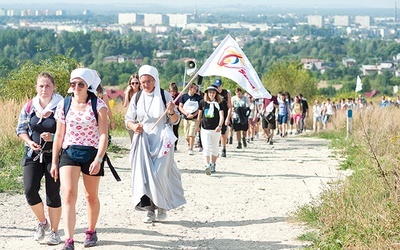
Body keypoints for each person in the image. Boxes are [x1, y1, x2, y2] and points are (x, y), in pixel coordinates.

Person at [50, 68, 109, 250]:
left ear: (88, 86)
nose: (76, 87)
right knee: (68, 194)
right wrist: (54, 161)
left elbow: (103, 135)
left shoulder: (99, 106)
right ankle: (69, 239)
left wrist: (98, 159)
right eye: (73, 83)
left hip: (91, 153)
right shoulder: (64, 104)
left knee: (90, 196)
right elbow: (58, 135)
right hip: (69, 152)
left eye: (80, 84)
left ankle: (90, 230)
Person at [125, 65, 186, 224]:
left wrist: (171, 111)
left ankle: (163, 205)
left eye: (149, 81)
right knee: (145, 176)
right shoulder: (137, 97)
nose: (146, 85)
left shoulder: (164, 95)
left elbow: (175, 120)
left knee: (159, 174)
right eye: (143, 82)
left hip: (162, 140)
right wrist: (134, 127)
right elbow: (128, 119)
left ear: (155, 80)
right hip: (143, 140)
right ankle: (150, 210)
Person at [16, 72, 63, 246]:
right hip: (33, 155)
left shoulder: (62, 106)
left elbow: (68, 132)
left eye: (48, 86)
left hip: (54, 156)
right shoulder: (29, 106)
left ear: (54, 87)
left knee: (53, 193)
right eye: (41, 86)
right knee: (29, 190)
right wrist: (29, 142)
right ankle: (43, 222)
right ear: (36, 87)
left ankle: (55, 232)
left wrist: (52, 136)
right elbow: (20, 129)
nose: (44, 89)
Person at [196, 85, 224, 175]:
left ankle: (213, 164)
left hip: (215, 129)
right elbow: (199, 115)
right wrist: (197, 126)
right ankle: (207, 165)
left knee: (215, 149)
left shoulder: (219, 103)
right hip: (205, 128)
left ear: (216, 94)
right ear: (207, 93)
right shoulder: (202, 102)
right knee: (206, 148)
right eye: (210, 92)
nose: (211, 94)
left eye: (213, 92)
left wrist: (220, 126)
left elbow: (222, 116)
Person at [178, 83, 202, 155]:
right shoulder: (184, 97)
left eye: (196, 88)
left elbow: (200, 108)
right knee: (186, 135)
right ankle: (190, 143)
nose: (195, 89)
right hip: (186, 118)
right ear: (190, 88)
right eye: (194, 88)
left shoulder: (198, 97)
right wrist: (186, 113)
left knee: (192, 133)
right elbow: (180, 107)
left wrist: (194, 114)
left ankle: (191, 148)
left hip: (194, 118)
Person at [213, 79, 232, 157]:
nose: (218, 88)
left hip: (224, 115)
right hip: (215, 116)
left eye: (219, 86)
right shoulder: (213, 93)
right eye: (216, 86)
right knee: (214, 133)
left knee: (223, 133)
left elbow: (230, 106)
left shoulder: (226, 93)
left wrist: (228, 118)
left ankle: (223, 148)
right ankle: (215, 148)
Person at [124, 74, 141, 141]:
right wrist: (127, 92)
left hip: (139, 117)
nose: (135, 85)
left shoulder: (142, 93)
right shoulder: (129, 92)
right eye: (133, 83)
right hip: (131, 117)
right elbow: (125, 105)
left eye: (137, 83)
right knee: (133, 138)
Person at [168, 82, 181, 151]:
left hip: (177, 114)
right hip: (169, 115)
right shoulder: (167, 96)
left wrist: (176, 106)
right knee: (169, 129)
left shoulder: (178, 96)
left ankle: (175, 145)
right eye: (171, 91)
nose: (172, 93)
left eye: (174, 91)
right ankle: (169, 143)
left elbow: (181, 105)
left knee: (175, 129)